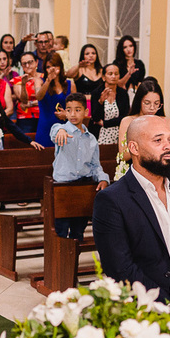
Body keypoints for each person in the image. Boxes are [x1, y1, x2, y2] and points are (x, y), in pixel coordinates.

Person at [92, 115, 170, 310]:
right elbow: (120, 268)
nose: (168, 147)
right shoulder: (112, 200)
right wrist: (167, 306)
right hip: (141, 313)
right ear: (134, 148)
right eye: (158, 140)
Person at [50, 93, 109, 240]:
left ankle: (74, 259)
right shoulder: (62, 130)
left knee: (78, 231)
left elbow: (96, 165)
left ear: (85, 111)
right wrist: (60, 130)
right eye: (69, 110)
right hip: (63, 187)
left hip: (82, 187)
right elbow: (54, 130)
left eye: (77, 110)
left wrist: (103, 178)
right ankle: (61, 262)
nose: (73, 114)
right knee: (61, 231)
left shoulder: (91, 139)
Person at [31, 52, 74, 147]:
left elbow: (76, 108)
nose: (51, 69)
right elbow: (39, 96)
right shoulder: (40, 81)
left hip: (65, 127)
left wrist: (67, 114)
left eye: (54, 66)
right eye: (48, 67)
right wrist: (48, 80)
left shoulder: (70, 84)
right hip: (45, 127)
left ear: (60, 66)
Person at [116, 80, 165, 161]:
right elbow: (123, 155)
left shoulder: (164, 121)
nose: (152, 108)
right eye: (147, 103)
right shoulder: (127, 121)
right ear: (139, 102)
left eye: (156, 104)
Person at [90, 63, 129, 145]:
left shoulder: (123, 94)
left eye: (116, 74)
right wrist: (100, 102)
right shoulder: (96, 93)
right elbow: (95, 118)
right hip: (100, 135)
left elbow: (125, 117)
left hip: (119, 134)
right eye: (110, 74)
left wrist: (105, 123)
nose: (113, 76)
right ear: (104, 77)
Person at [12, 52, 42, 134]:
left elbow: (45, 98)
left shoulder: (44, 78)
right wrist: (23, 85)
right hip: (24, 117)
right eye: (24, 64)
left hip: (43, 115)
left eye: (30, 62)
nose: (27, 66)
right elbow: (23, 100)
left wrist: (31, 103)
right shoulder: (18, 80)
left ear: (36, 62)